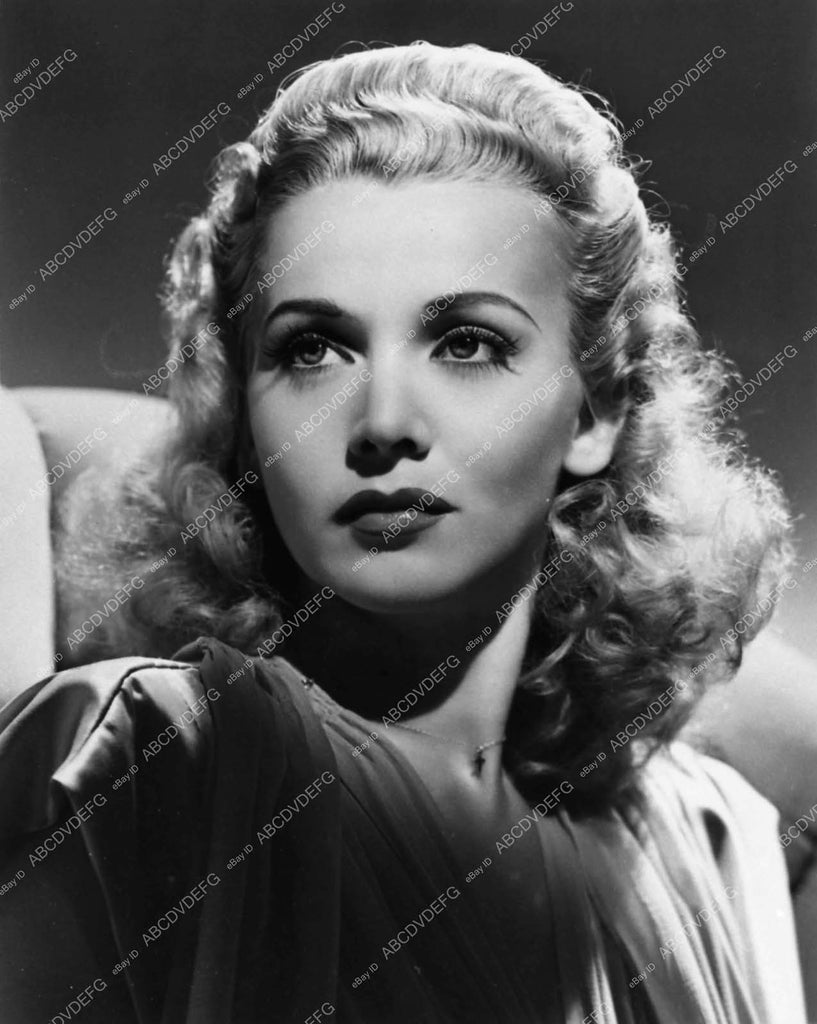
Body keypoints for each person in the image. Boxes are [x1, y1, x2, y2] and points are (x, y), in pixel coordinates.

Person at [0, 41, 807, 1023]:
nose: (382, 422)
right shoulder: (149, 759)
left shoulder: (711, 845)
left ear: (595, 409)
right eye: (312, 348)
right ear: (245, 412)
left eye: (466, 342)